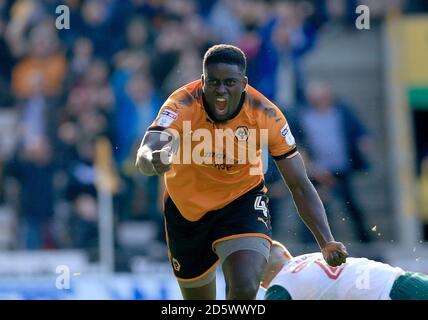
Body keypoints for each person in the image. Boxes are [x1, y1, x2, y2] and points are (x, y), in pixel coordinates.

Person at [135, 44, 348, 300]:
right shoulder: (182, 102)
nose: (221, 91)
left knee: (244, 286)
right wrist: (151, 159)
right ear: (202, 80)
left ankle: (261, 249)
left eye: (229, 83)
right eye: (213, 83)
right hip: (186, 213)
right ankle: (271, 253)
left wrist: (326, 241)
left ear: (244, 82)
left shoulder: (266, 113)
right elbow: (148, 148)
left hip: (241, 203)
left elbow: (300, 185)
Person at [262, 241, 428, 300]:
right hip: (408, 281)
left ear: (261, 284)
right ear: (286, 254)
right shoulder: (311, 257)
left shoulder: (281, 286)